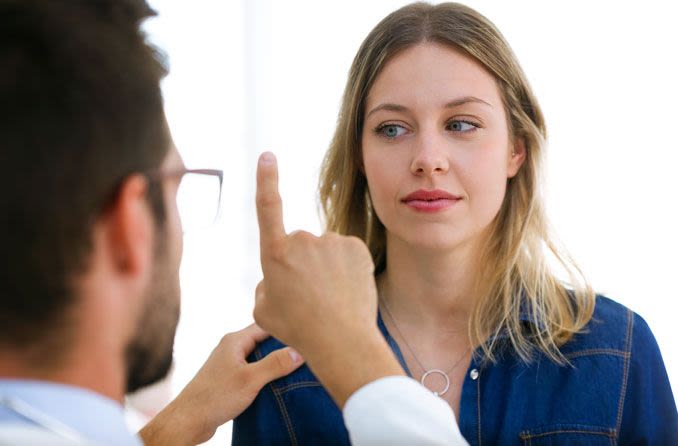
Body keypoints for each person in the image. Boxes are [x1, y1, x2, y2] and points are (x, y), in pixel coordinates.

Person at [0, 0, 469, 445]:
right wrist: (354, 355)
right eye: (176, 189)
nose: (429, 160)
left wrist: (168, 430)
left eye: (462, 123)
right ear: (131, 225)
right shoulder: (284, 379)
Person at [234, 2, 678, 445]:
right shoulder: (282, 363)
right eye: (392, 129)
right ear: (358, 157)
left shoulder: (618, 350)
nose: (428, 159)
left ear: (515, 150)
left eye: (461, 124)